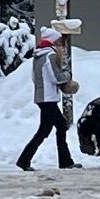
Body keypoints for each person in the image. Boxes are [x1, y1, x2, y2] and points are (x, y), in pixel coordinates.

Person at [17, 28, 77, 170]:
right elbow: (56, 77)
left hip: (42, 97)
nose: (60, 44)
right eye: (58, 41)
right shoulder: (50, 55)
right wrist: (68, 75)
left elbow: (34, 77)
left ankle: (65, 161)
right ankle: (24, 160)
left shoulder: (38, 55)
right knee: (44, 130)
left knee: (61, 124)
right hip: (48, 98)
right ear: (53, 41)